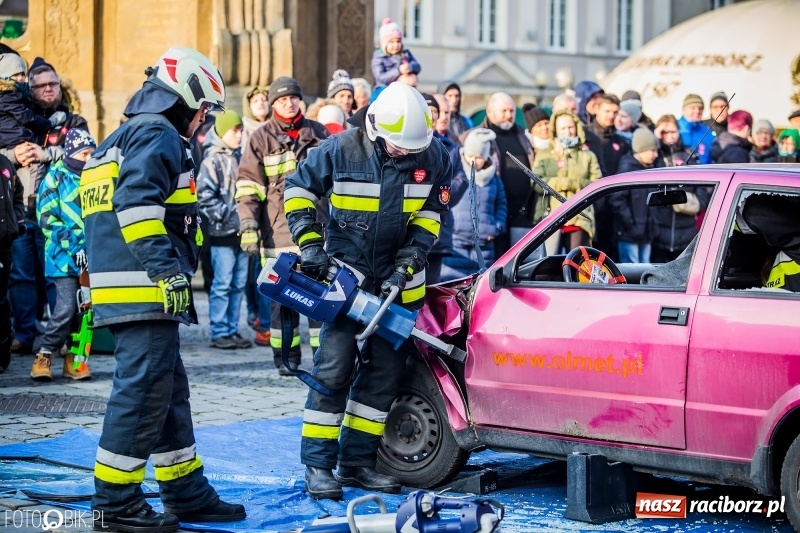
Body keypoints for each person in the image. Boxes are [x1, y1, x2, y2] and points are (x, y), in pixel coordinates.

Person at [81, 47, 245, 530]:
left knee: (166, 392)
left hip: (128, 289)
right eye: (204, 110)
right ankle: (115, 503)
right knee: (142, 394)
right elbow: (135, 206)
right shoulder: (157, 134)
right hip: (144, 288)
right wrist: (167, 272)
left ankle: (184, 490)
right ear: (186, 98)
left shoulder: (122, 135)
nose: (203, 121)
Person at [284, 81, 451, 500]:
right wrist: (309, 244)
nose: (403, 152)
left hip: (400, 287)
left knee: (383, 378)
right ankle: (318, 466)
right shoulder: (339, 150)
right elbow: (298, 189)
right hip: (346, 280)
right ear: (375, 128)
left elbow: (431, 215)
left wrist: (411, 259)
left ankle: (357, 462)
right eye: (396, 146)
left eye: (409, 148)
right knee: (334, 370)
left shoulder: (434, 155)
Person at [236, 76, 329, 376]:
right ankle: (286, 361)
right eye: (281, 99)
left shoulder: (319, 134)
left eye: (293, 98)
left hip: (319, 236)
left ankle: (323, 360)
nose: (288, 103)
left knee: (320, 302)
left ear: (300, 100)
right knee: (282, 306)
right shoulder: (260, 139)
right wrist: (248, 226)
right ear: (273, 104)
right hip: (277, 237)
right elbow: (248, 188)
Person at [7, 57, 88, 355]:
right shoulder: (18, 122)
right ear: (30, 90)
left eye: (53, 83)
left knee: (60, 278)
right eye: (40, 86)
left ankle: (63, 337)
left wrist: (46, 153)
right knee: (22, 276)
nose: (48, 89)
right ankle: (25, 334)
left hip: (59, 216)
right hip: (24, 211)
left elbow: (86, 152)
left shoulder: (73, 122)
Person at [31, 129, 95, 381]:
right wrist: (75, 245)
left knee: (86, 312)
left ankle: (75, 359)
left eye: (92, 154)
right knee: (66, 307)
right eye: (84, 154)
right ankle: (44, 353)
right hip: (62, 256)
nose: (89, 159)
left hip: (90, 259)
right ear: (71, 153)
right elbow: (47, 219)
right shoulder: (54, 178)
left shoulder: (94, 178)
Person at [197, 109, 252, 350]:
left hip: (243, 234)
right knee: (222, 283)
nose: (239, 135)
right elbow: (204, 196)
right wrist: (228, 216)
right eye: (234, 130)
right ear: (221, 132)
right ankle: (219, 330)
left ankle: (232, 329)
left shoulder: (240, 158)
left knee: (238, 284)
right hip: (222, 233)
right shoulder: (212, 161)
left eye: (241, 130)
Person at [441, 128, 506, 281]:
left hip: (484, 245)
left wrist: (497, 226)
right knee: (451, 285)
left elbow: (501, 204)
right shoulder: (455, 174)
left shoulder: (494, 178)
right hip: (456, 241)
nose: (474, 162)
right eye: (471, 156)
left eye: (479, 157)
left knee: (478, 289)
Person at [532, 109, 601, 254]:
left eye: (570, 127)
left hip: (580, 219)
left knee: (577, 266)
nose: (567, 131)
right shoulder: (544, 154)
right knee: (548, 267)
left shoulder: (588, 156)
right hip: (551, 219)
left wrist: (567, 184)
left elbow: (597, 184)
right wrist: (570, 184)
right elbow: (536, 183)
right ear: (555, 130)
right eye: (563, 128)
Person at [477, 92, 536, 257]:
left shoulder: (522, 135)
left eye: (511, 111)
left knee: (522, 263)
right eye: (504, 111)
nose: (509, 115)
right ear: (490, 112)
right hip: (495, 212)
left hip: (522, 214)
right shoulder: (479, 136)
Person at [422, 92, 466, 284]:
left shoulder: (451, 147)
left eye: (434, 111)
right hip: (408, 229)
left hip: (440, 227)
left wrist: (438, 197)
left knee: (432, 286)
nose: (431, 116)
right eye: (427, 111)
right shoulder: (405, 146)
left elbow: (460, 180)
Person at [610, 128, 659, 263]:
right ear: (641, 149)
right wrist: (631, 227)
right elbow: (617, 200)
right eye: (652, 150)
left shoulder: (649, 168)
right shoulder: (627, 169)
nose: (656, 155)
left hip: (645, 232)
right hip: (629, 234)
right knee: (632, 272)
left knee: (644, 268)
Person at [0, 153, 24, 372]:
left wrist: (16, 221)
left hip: (4, 245)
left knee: (1, 303)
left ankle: (2, 352)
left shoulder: (5, 164)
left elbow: (17, 195)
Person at [371, 18, 421, 88]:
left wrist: (410, 67)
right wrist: (399, 70)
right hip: (385, 88)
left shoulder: (405, 54)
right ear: (384, 44)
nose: (396, 45)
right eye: (392, 42)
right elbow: (380, 78)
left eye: (398, 41)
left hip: (407, 87)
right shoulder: (379, 57)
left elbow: (418, 66)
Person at [678, 94, 713, 164]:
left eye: (700, 108)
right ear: (684, 110)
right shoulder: (675, 128)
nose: (697, 111)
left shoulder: (707, 131)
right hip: (681, 172)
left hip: (705, 172)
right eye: (693, 108)